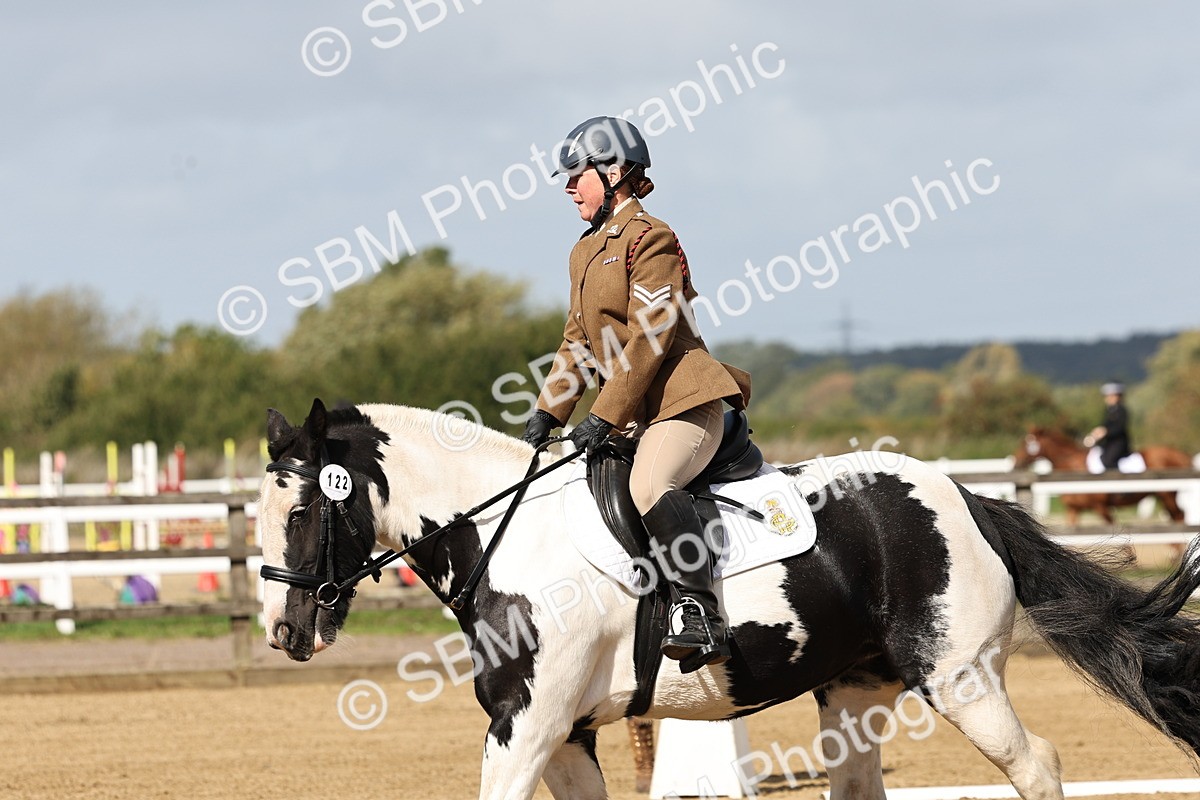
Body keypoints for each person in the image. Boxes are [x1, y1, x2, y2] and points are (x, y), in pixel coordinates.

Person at [521, 116, 752, 672]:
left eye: (576, 174)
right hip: (631, 413)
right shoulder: (584, 251)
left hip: (681, 403)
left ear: (614, 172)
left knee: (650, 485)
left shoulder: (651, 238)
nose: (568, 187)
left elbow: (652, 334)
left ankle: (700, 612)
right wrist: (548, 411)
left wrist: (602, 415)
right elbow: (579, 342)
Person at [1084, 380, 1132, 470]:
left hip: (1118, 443)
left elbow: (1119, 427)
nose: (1108, 398)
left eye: (1111, 396)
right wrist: (1097, 432)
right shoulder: (1108, 411)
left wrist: (1106, 431)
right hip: (1108, 443)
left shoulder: (1121, 410)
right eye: (1107, 396)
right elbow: (1106, 424)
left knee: (1109, 461)